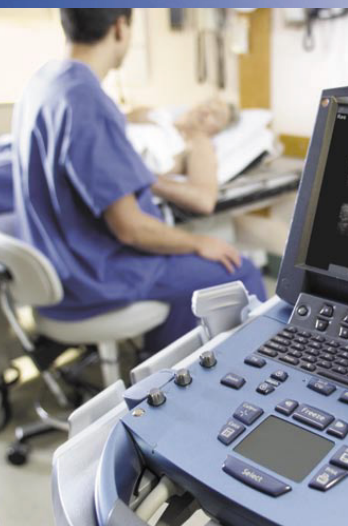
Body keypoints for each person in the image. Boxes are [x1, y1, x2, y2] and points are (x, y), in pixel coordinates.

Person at [11, 8, 266, 353]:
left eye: (215, 114)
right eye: (206, 105)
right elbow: (130, 229)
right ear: (120, 27)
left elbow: (199, 195)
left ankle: (164, 365)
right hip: (94, 275)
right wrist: (197, 243)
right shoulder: (89, 100)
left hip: (56, 269)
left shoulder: (42, 81)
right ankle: (192, 377)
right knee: (241, 272)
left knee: (192, 284)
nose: (206, 112)